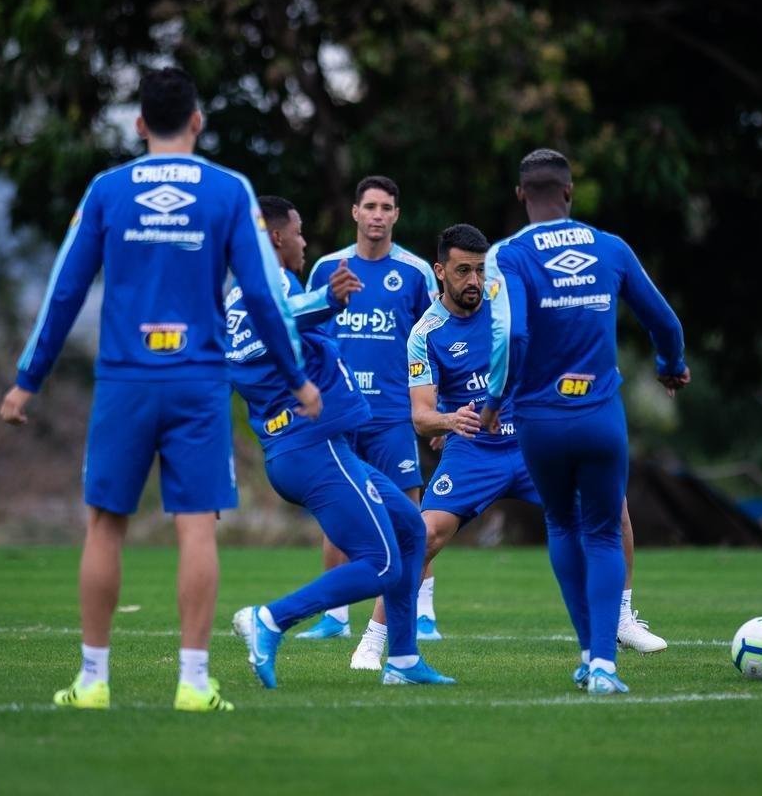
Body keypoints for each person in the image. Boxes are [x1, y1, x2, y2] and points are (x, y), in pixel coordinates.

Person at [0, 68, 320, 712]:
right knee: (196, 527)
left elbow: (65, 289)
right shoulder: (228, 190)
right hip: (198, 381)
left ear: (140, 124)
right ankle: (194, 684)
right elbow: (261, 293)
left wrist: (27, 381)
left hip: (125, 380)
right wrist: (297, 378)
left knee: (105, 525)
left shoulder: (108, 189)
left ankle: (92, 681)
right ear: (197, 123)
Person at [348, 224, 667, 669]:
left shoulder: (508, 307)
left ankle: (621, 618)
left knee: (615, 508)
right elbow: (420, 416)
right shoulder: (426, 333)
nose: (474, 281)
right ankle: (373, 638)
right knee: (423, 535)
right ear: (440, 271)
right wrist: (447, 419)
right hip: (475, 451)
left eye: (479, 270)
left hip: (534, 442)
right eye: (462, 271)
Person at [481, 149, 690, 695]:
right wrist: (671, 367)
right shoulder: (610, 247)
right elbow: (664, 322)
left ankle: (585, 651)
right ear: (570, 193)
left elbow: (514, 335)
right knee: (602, 532)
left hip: (540, 419)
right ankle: (603, 665)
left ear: (522, 195)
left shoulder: (508, 254)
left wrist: (493, 398)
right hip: (601, 415)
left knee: (560, 525)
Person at [227, 195, 452, 687]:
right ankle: (270, 619)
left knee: (411, 532)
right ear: (276, 239)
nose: (305, 242)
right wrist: (325, 299)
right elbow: (280, 316)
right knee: (383, 562)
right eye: (300, 232)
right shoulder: (274, 287)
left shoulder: (239, 294)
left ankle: (404, 661)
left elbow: (259, 338)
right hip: (314, 444)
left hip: (304, 448)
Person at [296, 175, 439, 640]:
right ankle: (334, 618)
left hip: (394, 415)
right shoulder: (326, 270)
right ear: (355, 212)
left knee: (409, 515)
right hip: (339, 415)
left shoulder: (415, 273)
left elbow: (433, 341)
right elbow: (308, 335)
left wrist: (437, 408)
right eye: (370, 206)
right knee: (337, 511)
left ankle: (421, 613)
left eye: (386, 207)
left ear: (396, 215)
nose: (378, 215)